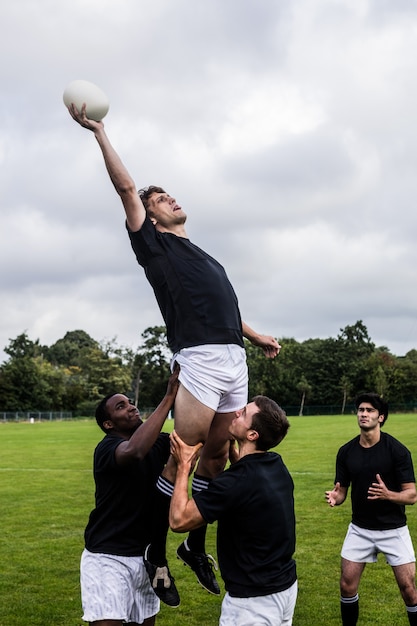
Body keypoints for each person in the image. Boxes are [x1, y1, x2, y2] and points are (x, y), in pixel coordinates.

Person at [68, 103, 281, 596]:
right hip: (201, 359)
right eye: (160, 198)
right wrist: (100, 132)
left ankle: (192, 545)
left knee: (218, 455)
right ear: (151, 215)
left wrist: (255, 335)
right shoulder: (152, 244)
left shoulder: (202, 254)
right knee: (180, 455)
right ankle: (156, 551)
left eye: (169, 195)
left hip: (233, 355)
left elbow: (223, 305)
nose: (170, 200)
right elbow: (126, 188)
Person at [169, 395, 298, 626]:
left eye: (244, 413)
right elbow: (247, 481)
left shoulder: (234, 483)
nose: (237, 412)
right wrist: (235, 453)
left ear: (252, 435)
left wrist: (184, 466)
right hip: (285, 589)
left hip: (251, 605)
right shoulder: (276, 465)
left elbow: (179, 520)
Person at [80, 366, 180, 626]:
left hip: (147, 559)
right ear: (108, 424)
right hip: (108, 558)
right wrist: (168, 398)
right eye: (121, 406)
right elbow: (134, 451)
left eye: (130, 402)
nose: (131, 407)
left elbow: (190, 441)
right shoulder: (107, 449)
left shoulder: (157, 444)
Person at [325, 392, 417, 626]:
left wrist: (388, 495)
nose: (363, 414)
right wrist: (337, 497)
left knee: (409, 589)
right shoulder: (346, 452)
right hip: (360, 529)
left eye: (369, 410)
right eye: (361, 410)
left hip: (393, 529)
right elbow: (342, 491)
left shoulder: (397, 451)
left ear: (381, 417)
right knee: (346, 585)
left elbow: (411, 495)